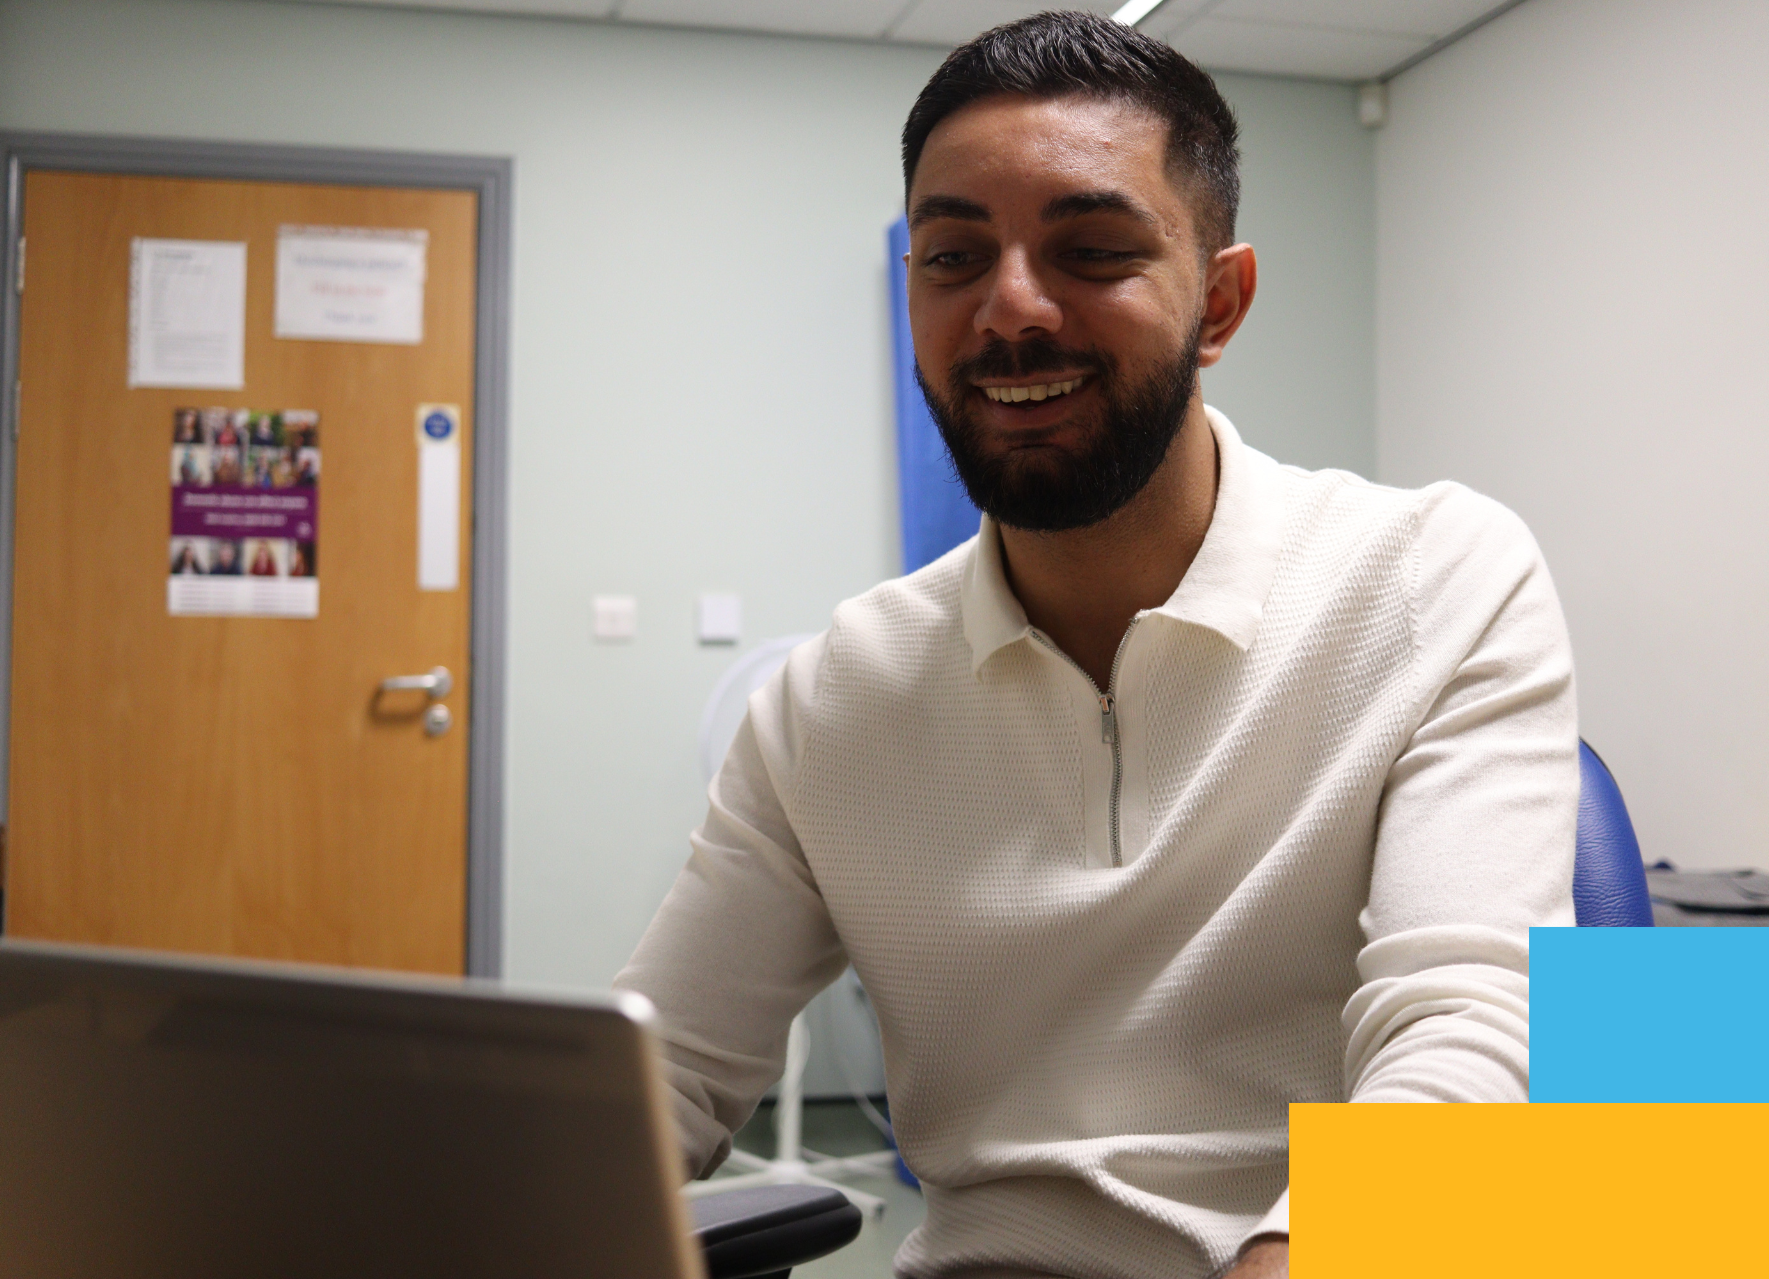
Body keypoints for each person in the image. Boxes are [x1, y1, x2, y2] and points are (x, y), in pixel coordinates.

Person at [615, 13, 1575, 1279]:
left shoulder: (1435, 576)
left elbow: (1469, 1024)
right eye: (953, 256)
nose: (1011, 308)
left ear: (1219, 302)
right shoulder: (830, 697)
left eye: (1094, 251)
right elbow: (661, 1074)